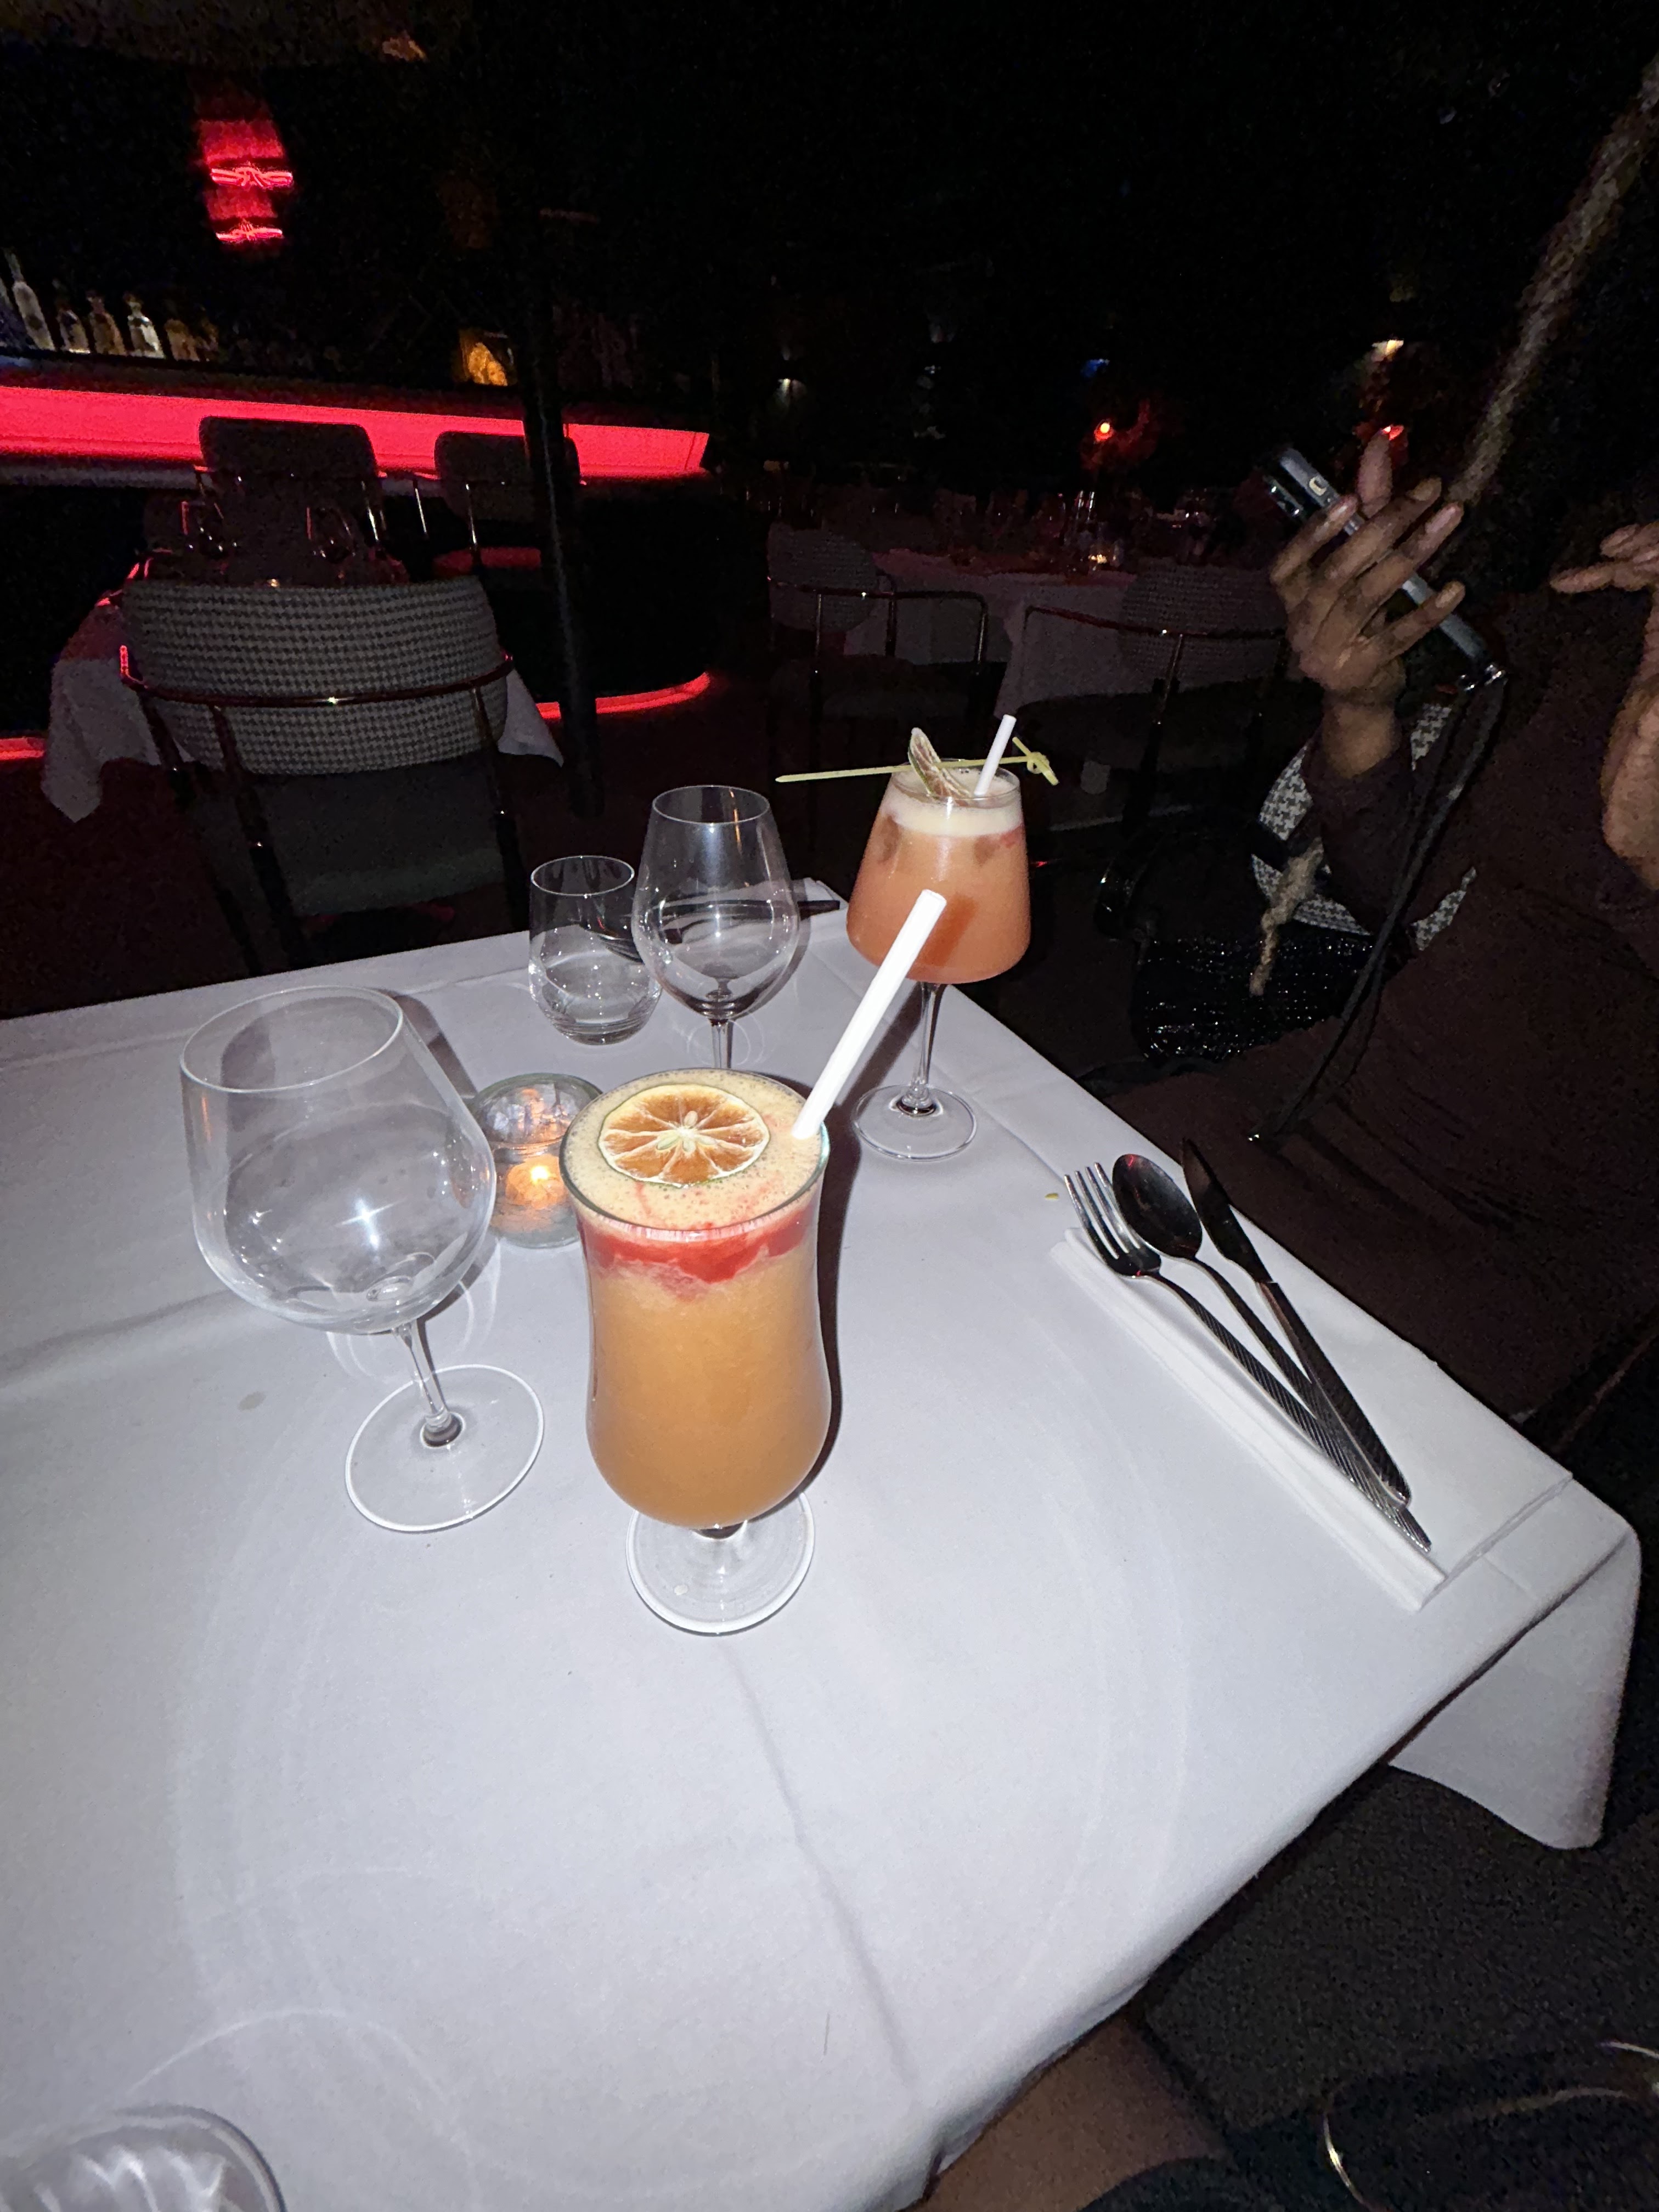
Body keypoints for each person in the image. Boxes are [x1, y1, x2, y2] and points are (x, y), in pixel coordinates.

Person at [1111, 430, 1659, 1417]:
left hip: (1535, 1238)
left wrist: (1647, 876)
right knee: (1052, 1177)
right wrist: (1362, 706)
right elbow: (1399, 893)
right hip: (1333, 1099)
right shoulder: (1604, 608)